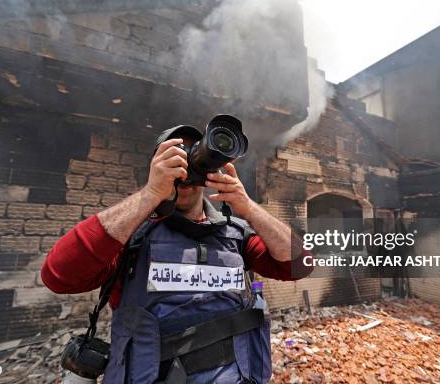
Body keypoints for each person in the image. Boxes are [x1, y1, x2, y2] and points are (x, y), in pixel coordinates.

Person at [41, 124, 311, 383]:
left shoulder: (235, 235)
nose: (185, 168)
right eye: (175, 157)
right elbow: (59, 276)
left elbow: (301, 265)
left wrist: (248, 207)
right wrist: (152, 194)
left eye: (194, 157)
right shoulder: (131, 235)